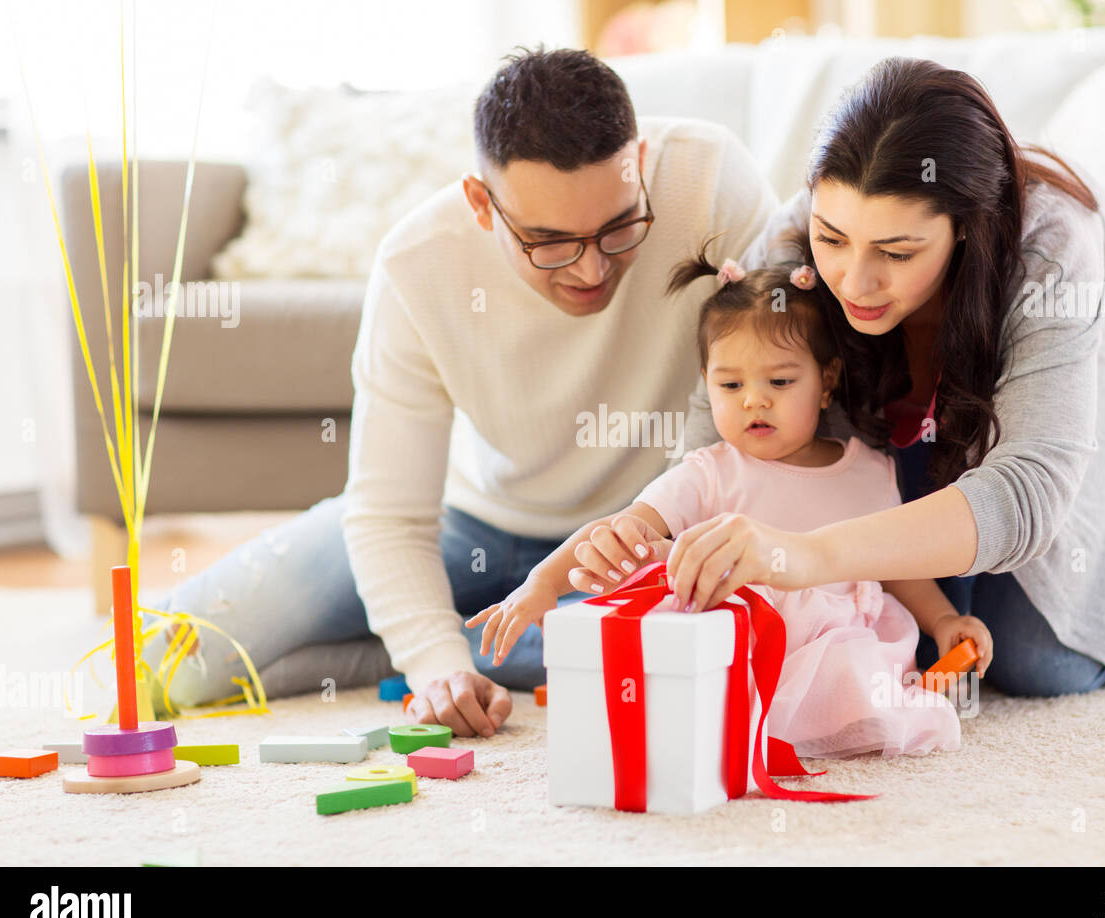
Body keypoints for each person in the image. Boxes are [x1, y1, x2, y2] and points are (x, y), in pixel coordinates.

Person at [141, 47, 778, 736]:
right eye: (550, 242)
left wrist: (795, 285)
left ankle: (405, 651)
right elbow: (389, 515)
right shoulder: (417, 263)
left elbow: (784, 384)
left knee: (706, 646)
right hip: (463, 520)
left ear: (640, 160)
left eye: (618, 227)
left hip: (639, 537)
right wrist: (436, 667)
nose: (593, 268)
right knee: (169, 661)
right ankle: (459, 643)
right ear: (481, 203)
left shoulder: (711, 179)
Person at [567, 56, 1105, 698]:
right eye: (834, 239)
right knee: (914, 623)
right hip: (938, 413)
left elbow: (1029, 494)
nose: (854, 280)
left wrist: (806, 555)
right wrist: (646, 523)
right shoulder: (803, 231)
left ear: (966, 229)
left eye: (897, 253)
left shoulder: (1053, 249)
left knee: (1031, 661)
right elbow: (718, 423)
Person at [472, 246, 993, 757]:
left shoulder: (868, 470)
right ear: (707, 385)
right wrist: (544, 580)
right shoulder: (710, 472)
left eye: (781, 381)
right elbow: (618, 531)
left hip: (836, 643)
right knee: (648, 653)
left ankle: (828, 716)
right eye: (730, 384)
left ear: (826, 381)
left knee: (859, 679)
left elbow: (899, 567)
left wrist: (945, 621)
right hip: (730, 644)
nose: (754, 399)